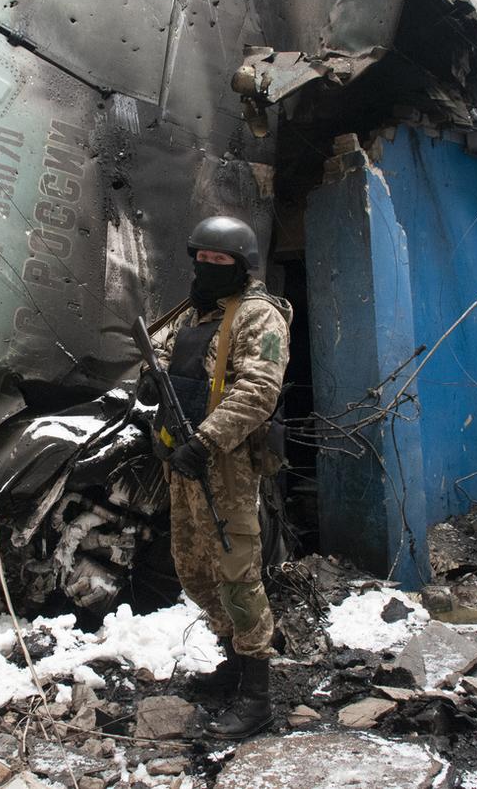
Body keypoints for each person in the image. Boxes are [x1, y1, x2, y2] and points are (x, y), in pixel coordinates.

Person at [149, 215, 292, 739]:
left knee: (237, 574)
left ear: (241, 265)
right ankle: (232, 663)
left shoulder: (259, 316)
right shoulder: (191, 313)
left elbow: (257, 391)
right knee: (193, 569)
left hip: (225, 462)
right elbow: (162, 355)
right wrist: (152, 386)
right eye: (202, 259)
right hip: (181, 458)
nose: (208, 269)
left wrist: (204, 442)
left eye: (220, 262)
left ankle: (257, 695)